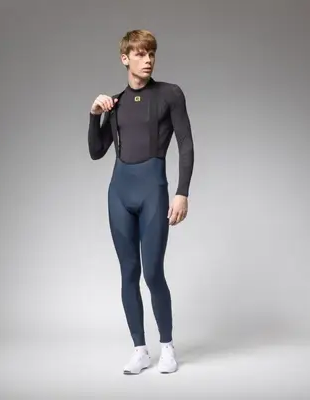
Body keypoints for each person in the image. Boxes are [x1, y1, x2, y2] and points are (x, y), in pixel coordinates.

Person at [87, 29, 194, 375]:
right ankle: (140, 350)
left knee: (152, 272)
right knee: (128, 272)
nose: (148, 60)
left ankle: (167, 348)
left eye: (151, 54)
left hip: (153, 191)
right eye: (140, 54)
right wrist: (94, 115)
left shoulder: (169, 94)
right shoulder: (115, 104)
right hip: (119, 192)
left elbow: (186, 144)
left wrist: (182, 192)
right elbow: (96, 151)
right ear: (125, 58)